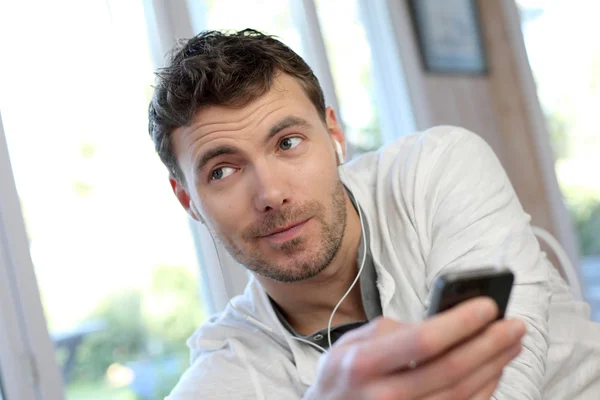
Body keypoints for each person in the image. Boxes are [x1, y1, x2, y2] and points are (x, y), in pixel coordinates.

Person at [147, 29, 600, 399]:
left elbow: (508, 383)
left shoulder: (436, 169)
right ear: (188, 201)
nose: (271, 194)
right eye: (223, 171)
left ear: (334, 135)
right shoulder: (228, 366)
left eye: (288, 143)